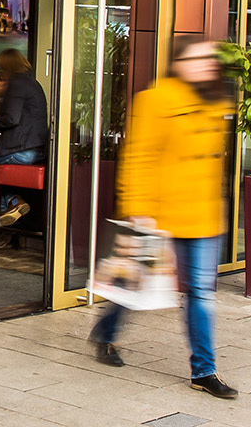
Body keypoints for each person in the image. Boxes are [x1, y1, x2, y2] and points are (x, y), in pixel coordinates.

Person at [89, 36, 238, 400]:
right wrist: (138, 207)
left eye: (210, 59)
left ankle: (203, 370)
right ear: (179, 63)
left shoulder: (218, 100)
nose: (205, 65)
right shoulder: (155, 99)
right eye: (197, 59)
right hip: (160, 213)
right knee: (136, 283)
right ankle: (106, 333)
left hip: (203, 215)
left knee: (201, 294)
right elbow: (138, 156)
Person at [0, 49, 48, 227]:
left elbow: (11, 119)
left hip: (18, 150)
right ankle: (14, 202)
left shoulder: (16, 84)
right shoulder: (32, 83)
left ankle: (6, 205)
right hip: (34, 151)